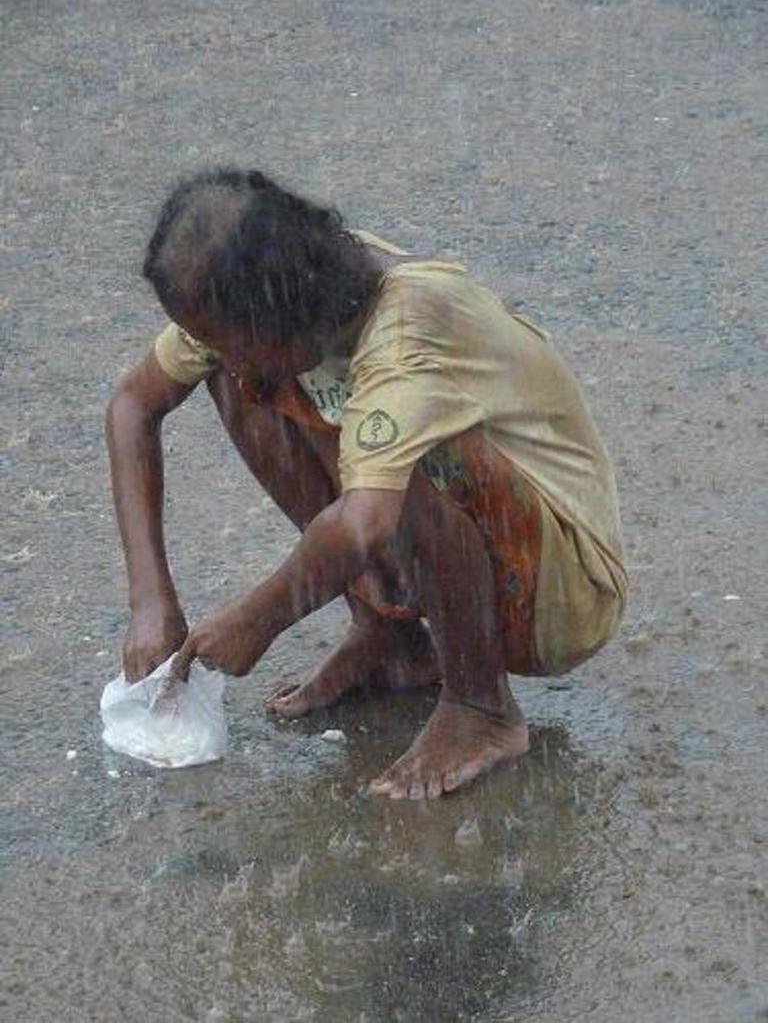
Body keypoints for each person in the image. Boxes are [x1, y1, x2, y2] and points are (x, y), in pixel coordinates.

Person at [106, 168, 627, 799]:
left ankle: (480, 706)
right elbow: (133, 406)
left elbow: (366, 522)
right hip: (436, 535)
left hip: (558, 587)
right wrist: (150, 600)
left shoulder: (406, 329)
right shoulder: (285, 294)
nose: (233, 359)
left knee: (401, 465)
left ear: (280, 309)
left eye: (235, 339)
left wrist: (259, 620)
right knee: (233, 382)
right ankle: (392, 640)